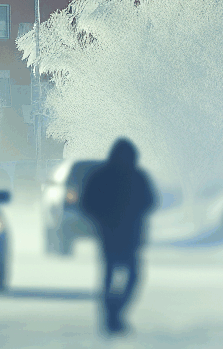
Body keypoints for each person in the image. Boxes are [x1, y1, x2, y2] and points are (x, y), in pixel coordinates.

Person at [79, 138, 156, 335]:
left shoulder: (105, 176)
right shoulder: (134, 176)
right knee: (123, 275)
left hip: (118, 235)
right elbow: (149, 202)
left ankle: (112, 314)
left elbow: (149, 202)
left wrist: (102, 219)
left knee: (119, 276)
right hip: (119, 234)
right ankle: (113, 315)